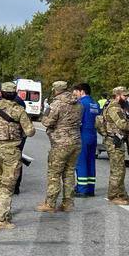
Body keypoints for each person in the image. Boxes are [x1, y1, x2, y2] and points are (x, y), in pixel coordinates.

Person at [0, 82, 35, 229]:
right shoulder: (19, 111)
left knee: (0, 182)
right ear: (15, 94)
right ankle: (1, 219)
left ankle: (3, 212)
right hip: (11, 151)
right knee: (7, 185)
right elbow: (30, 131)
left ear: (1, 93)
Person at [38, 81, 84, 213]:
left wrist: (46, 115)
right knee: (69, 172)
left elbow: (47, 122)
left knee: (54, 173)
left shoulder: (56, 104)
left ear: (56, 90)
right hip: (76, 141)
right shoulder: (78, 104)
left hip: (60, 143)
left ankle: (50, 203)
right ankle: (68, 203)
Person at [100, 85, 129, 204]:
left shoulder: (118, 107)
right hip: (114, 142)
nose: (127, 98)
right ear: (117, 95)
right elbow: (122, 124)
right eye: (124, 95)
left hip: (117, 141)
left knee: (121, 169)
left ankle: (122, 195)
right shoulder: (114, 108)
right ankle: (113, 196)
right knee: (117, 170)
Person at [74, 83, 101, 197]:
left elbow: (76, 120)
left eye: (76, 92)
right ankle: (90, 188)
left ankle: (82, 189)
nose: (75, 95)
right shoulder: (95, 104)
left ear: (82, 91)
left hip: (83, 135)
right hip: (93, 136)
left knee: (81, 162)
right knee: (90, 161)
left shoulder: (81, 103)